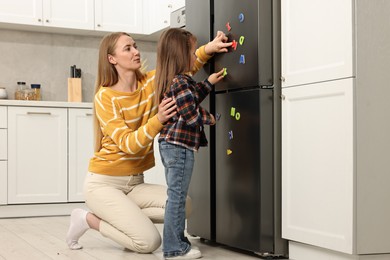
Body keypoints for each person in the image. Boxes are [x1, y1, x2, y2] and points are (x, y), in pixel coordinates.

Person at [66, 31, 231, 253]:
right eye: (128, 48)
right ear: (111, 59)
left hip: (135, 184)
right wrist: (159, 119)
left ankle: (127, 219)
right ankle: (87, 219)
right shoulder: (105, 97)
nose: (136, 51)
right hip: (104, 185)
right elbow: (129, 144)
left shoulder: (150, 83)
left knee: (184, 205)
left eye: (135, 46)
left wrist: (209, 48)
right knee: (148, 242)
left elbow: (181, 67)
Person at [155, 28, 227, 259]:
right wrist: (212, 119)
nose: (196, 55)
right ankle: (174, 248)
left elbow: (192, 96)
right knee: (177, 196)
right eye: (192, 51)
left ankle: (176, 242)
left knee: (175, 196)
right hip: (180, 147)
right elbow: (192, 115)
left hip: (171, 145)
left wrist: (208, 82)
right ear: (180, 54)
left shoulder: (177, 81)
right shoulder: (181, 82)